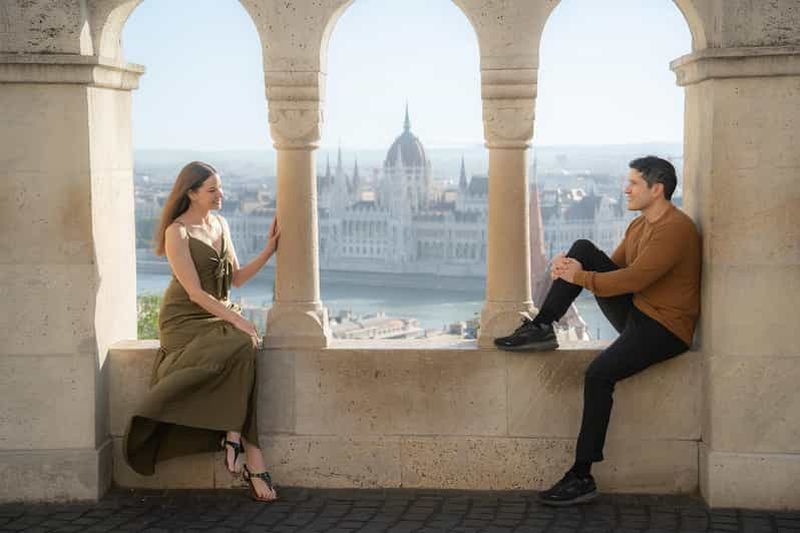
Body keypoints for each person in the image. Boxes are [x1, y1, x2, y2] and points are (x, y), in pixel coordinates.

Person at [494, 156, 701, 506]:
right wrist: (569, 267)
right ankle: (543, 326)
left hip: (665, 328)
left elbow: (634, 279)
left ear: (657, 189)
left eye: (633, 183)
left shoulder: (676, 229)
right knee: (583, 249)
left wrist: (578, 276)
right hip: (639, 313)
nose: (626, 189)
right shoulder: (639, 226)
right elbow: (613, 269)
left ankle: (582, 475)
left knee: (598, 375)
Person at [124, 161, 280, 502]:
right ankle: (251, 456)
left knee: (246, 347)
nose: (220, 194)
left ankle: (234, 436)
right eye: (212, 190)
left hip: (218, 313)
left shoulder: (221, 224)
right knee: (244, 342)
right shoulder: (177, 232)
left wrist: (269, 250)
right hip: (184, 320)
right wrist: (238, 320)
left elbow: (236, 279)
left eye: (220, 187)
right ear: (191, 193)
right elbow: (194, 293)